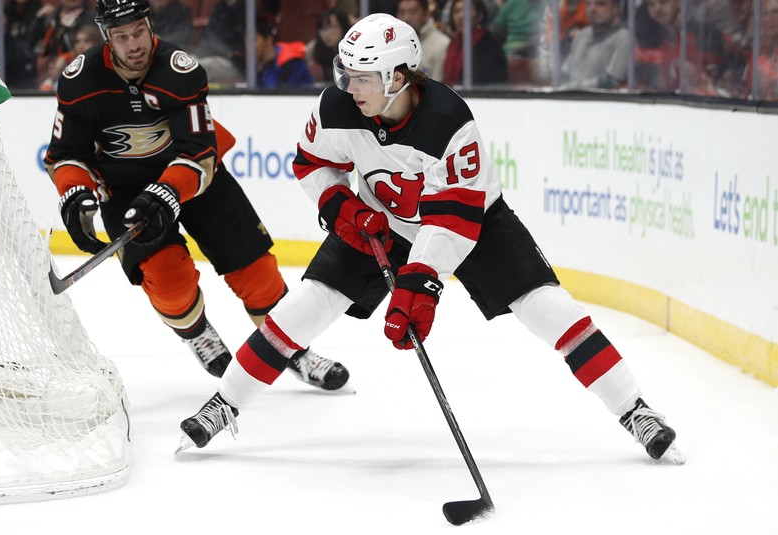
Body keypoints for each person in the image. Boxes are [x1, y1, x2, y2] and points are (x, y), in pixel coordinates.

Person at [178, 14, 684, 466]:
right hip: (379, 222)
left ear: (397, 78)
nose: (348, 86)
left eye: (362, 77)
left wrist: (419, 287)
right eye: (345, 73)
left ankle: (635, 410)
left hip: (475, 226)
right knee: (305, 307)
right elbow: (313, 162)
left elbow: (453, 221)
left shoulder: (449, 123)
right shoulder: (338, 105)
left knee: (550, 309)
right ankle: (227, 401)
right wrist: (343, 208)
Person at [44, 0, 349, 391]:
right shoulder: (79, 80)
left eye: (139, 30)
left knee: (258, 274)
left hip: (192, 180)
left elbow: (198, 154)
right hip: (124, 191)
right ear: (106, 37)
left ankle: (293, 351)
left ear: (149, 24)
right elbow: (66, 154)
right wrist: (75, 196)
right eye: (122, 36)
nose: (134, 43)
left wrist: (168, 192)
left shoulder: (179, 72)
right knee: (168, 282)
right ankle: (197, 334)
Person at [633, 0, 726, 95]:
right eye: (651, 4)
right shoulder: (658, 37)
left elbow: (716, 82)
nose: (657, 9)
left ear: (678, 2)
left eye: (664, 2)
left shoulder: (702, 33)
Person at [559, 0, 630, 89]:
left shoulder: (624, 38)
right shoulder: (581, 35)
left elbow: (612, 81)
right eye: (588, 4)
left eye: (600, 4)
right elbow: (565, 74)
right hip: (569, 99)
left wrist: (573, 87)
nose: (592, 9)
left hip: (602, 100)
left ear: (616, 8)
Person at [442, 0, 508, 86]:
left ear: (479, 16)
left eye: (467, 10)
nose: (460, 16)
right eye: (456, 11)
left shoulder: (488, 44)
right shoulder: (454, 43)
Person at [255, 14, 315, 89]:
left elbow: (276, 95)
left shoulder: (292, 62)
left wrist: (266, 67)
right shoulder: (258, 63)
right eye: (246, 41)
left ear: (268, 40)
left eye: (254, 40)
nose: (248, 45)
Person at [37, 22, 102, 91]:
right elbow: (46, 88)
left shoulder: (102, 63)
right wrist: (54, 73)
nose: (81, 45)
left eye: (87, 41)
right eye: (77, 41)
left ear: (96, 42)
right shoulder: (67, 62)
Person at [397, 0, 450, 82]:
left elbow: (438, 88)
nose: (406, 18)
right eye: (402, 12)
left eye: (412, 12)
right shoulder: (393, 44)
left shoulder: (442, 44)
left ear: (425, 14)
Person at [305, 8, 352, 84]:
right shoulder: (313, 48)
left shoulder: (353, 48)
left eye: (332, 28)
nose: (327, 34)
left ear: (343, 28)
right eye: (323, 29)